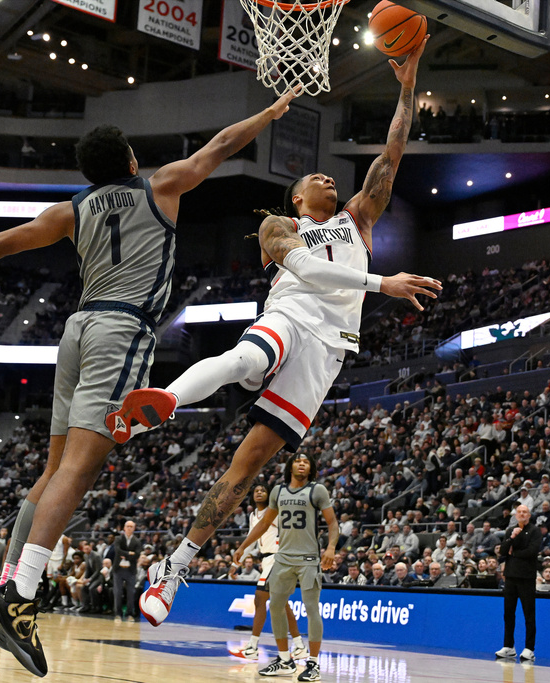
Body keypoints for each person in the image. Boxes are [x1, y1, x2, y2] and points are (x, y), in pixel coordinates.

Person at [0, 88, 302, 677]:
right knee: (81, 469)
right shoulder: (160, 186)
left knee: (53, 469)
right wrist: (268, 115)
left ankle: (9, 585)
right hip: (121, 329)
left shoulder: (74, 209)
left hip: (76, 329)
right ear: (133, 161)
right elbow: (220, 144)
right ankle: (20, 598)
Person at [114, 38, 441, 628]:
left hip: (329, 352)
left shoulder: (357, 218)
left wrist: (407, 81)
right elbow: (310, 271)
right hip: (289, 319)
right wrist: (379, 281)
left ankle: (177, 567)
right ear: (297, 198)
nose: (326, 177)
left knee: (246, 470)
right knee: (247, 356)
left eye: (330, 175)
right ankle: (167, 398)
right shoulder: (277, 226)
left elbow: (392, 153)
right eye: (314, 176)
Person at [232, 453, 338, 681]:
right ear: (290, 466)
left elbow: (332, 523)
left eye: (306, 461)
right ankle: (284, 660)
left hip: (309, 558)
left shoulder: (317, 490)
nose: (302, 463)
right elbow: (263, 523)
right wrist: (243, 546)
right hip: (283, 558)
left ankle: (314, 663)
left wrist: (330, 548)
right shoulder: (278, 492)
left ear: (310, 468)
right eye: (298, 460)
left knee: (311, 609)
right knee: (276, 606)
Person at [229, 484, 306, 661]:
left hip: (279, 557)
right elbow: (252, 539)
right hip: (267, 560)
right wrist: (238, 562)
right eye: (256, 490)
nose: (259, 492)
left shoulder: (276, 511)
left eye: (263, 490)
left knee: (260, 598)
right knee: (281, 603)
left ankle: (252, 647)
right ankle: (300, 645)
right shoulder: (252, 515)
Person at [495, 504, 542, 660]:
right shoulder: (510, 530)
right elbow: (502, 551)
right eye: (519, 512)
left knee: (529, 614)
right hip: (510, 577)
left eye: (525, 512)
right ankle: (509, 646)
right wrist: (512, 538)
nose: (522, 514)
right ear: (515, 515)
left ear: (529, 515)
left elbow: (531, 551)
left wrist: (513, 552)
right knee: (508, 613)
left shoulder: (535, 531)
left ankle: (529, 648)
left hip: (527, 578)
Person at [110, 520, 141, 621]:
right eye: (127, 526)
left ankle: (129, 614)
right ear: (124, 528)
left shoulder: (137, 541)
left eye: (131, 526)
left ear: (134, 528)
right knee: (118, 592)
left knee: (130, 593)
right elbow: (118, 551)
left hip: (130, 570)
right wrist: (130, 554)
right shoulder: (118, 538)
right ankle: (117, 614)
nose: (129, 528)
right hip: (118, 569)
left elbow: (137, 554)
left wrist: (125, 555)